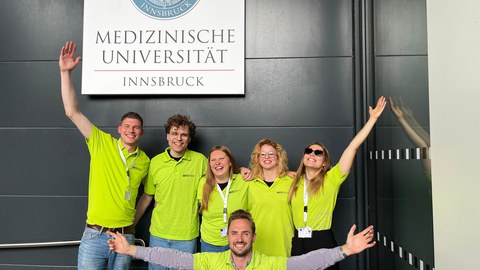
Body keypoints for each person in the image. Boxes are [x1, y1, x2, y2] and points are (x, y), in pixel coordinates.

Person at [59, 41, 150, 269]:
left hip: (125, 238)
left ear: (141, 132)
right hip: (95, 236)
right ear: (119, 129)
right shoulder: (101, 142)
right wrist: (65, 73)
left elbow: (146, 196)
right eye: (127, 126)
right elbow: (72, 111)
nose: (131, 130)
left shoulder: (146, 160)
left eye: (136, 127)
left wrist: (130, 226)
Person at [287, 96, 386, 269]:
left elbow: (353, 147)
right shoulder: (292, 180)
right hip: (298, 241)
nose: (312, 154)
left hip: (322, 239)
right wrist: (243, 171)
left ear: (325, 163)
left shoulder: (331, 179)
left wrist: (373, 119)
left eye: (318, 153)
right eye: (309, 151)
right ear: (303, 157)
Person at [107, 209, 376, 270]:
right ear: (228, 237)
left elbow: (306, 263)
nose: (239, 238)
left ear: (253, 237)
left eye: (245, 233)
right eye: (234, 233)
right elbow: (174, 258)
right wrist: (130, 249)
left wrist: (344, 250)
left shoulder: (268, 264)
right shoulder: (212, 262)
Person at [134, 114, 207, 270]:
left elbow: (220, 178)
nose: (178, 138)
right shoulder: (155, 162)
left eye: (184, 135)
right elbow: (147, 196)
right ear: (167, 135)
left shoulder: (200, 161)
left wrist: (240, 171)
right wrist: (131, 224)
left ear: (189, 138)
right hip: (159, 236)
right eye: (174, 133)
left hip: (187, 237)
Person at [197, 145, 249, 252]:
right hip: (210, 244)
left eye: (221, 158)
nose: (217, 163)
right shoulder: (203, 183)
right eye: (213, 160)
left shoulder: (244, 180)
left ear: (230, 162)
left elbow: (268, 175)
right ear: (210, 165)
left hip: (238, 243)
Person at [247, 139, 294, 257]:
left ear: (279, 157)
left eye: (271, 154)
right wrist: (241, 170)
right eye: (262, 154)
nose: (266, 157)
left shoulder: (291, 182)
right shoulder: (249, 183)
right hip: (256, 243)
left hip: (284, 244)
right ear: (257, 158)